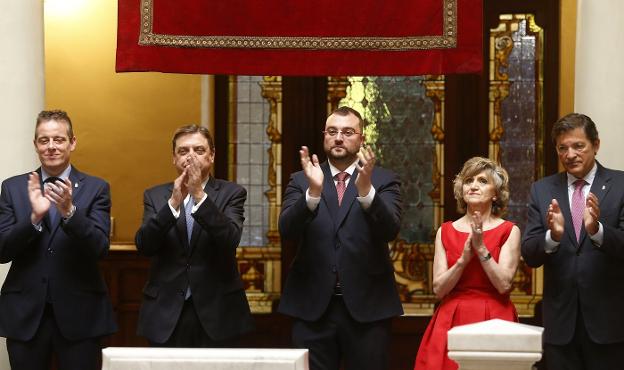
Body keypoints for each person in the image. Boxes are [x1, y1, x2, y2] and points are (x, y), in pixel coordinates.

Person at [278, 106, 403, 370]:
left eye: (347, 132)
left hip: (368, 308)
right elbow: (287, 231)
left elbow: (390, 229)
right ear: (324, 136)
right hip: (312, 308)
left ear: (361, 139)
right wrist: (312, 193)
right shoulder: (301, 180)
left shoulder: (383, 179)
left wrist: (367, 191)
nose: (338, 138)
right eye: (332, 131)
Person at [0, 110, 117, 370]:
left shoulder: (96, 188)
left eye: (59, 139)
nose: (51, 147)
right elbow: (2, 250)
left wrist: (70, 212)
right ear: (35, 145)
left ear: (72, 142)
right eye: (44, 140)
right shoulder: (12, 187)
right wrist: (33, 218)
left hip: (81, 314)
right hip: (25, 314)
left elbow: (100, 248)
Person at [135, 124, 254, 347]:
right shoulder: (155, 195)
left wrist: (199, 194)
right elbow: (145, 245)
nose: (190, 156)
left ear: (212, 155)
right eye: (183, 151)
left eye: (199, 150)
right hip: (165, 313)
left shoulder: (232, 193)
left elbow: (229, 239)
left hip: (218, 311)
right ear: (173, 158)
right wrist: (172, 205)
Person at [522, 113, 624, 370]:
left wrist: (597, 230)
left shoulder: (621, 184)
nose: (570, 154)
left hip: (609, 325)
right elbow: (530, 254)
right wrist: (552, 237)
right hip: (560, 327)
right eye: (563, 148)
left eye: (579, 146)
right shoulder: (542, 190)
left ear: (596, 145)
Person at [414, 156, 520, 370]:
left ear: (496, 193)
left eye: (482, 181)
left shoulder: (509, 230)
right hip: (451, 319)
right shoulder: (445, 231)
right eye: (468, 180)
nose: (473, 185)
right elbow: (439, 289)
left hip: (495, 319)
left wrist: (481, 249)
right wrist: (463, 260)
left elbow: (504, 285)